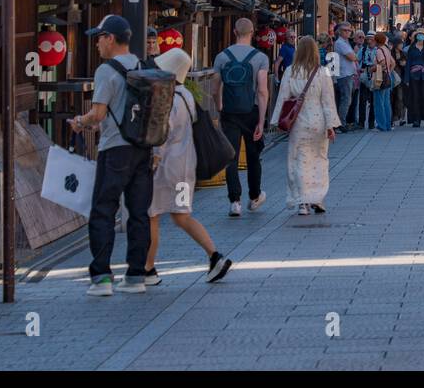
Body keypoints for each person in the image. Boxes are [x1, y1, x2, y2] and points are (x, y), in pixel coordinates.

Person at [70, 14, 152, 296]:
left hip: (115, 148)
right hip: (143, 147)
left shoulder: (106, 71)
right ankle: (136, 276)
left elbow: (99, 113)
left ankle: (102, 277)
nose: (96, 44)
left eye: (99, 38)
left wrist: (80, 122)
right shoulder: (143, 66)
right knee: (139, 213)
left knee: (104, 210)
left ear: (110, 39)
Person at [143, 47, 233, 285]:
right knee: (181, 216)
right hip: (186, 165)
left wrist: (154, 158)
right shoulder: (187, 96)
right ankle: (215, 255)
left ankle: (148, 269)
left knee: (151, 214)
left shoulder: (167, 97)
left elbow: (162, 134)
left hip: (166, 168)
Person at [269, 36, 340, 215]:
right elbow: (328, 101)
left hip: (298, 123)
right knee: (319, 160)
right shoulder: (322, 72)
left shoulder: (290, 72)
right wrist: (331, 126)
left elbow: (283, 98)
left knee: (298, 161)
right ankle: (317, 198)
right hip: (319, 122)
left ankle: (302, 203)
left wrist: (278, 121)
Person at [214, 17, 271, 218]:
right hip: (252, 111)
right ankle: (254, 196)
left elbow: (215, 88)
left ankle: (234, 202)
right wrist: (261, 120)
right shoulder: (260, 57)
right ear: (252, 32)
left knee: (232, 155)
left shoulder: (222, 57)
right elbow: (262, 90)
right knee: (254, 156)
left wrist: (219, 106)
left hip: (229, 112)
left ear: (235, 32)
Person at [332, 22, 359, 132]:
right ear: (339, 32)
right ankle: (340, 124)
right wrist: (355, 55)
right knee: (345, 100)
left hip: (348, 74)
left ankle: (342, 122)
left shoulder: (345, 42)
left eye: (349, 30)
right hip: (344, 75)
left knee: (346, 99)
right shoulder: (340, 43)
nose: (348, 32)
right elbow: (352, 57)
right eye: (345, 30)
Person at [405, 30, 424, 126]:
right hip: (414, 76)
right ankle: (416, 119)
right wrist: (407, 79)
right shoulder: (412, 48)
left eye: (423, 35)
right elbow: (408, 63)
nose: (421, 37)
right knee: (415, 97)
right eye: (419, 35)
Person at [371, 32, 395, 131]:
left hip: (380, 79)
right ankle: (388, 125)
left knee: (378, 102)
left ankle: (381, 125)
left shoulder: (379, 50)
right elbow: (393, 63)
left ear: (376, 41)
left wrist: (373, 69)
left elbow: (382, 63)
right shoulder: (387, 49)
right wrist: (389, 71)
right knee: (386, 102)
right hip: (388, 77)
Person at [356, 32, 378, 130]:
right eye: (368, 39)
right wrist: (359, 69)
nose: (369, 41)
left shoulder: (378, 50)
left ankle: (371, 122)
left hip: (374, 75)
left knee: (373, 100)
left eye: (371, 39)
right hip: (364, 76)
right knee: (362, 100)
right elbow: (356, 60)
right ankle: (361, 122)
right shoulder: (363, 49)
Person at [390, 33, 408, 126]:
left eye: (402, 44)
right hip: (392, 79)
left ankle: (402, 118)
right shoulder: (390, 53)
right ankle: (392, 118)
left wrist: (404, 65)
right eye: (400, 44)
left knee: (401, 98)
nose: (402, 45)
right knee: (392, 98)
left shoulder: (404, 54)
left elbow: (407, 67)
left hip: (401, 79)